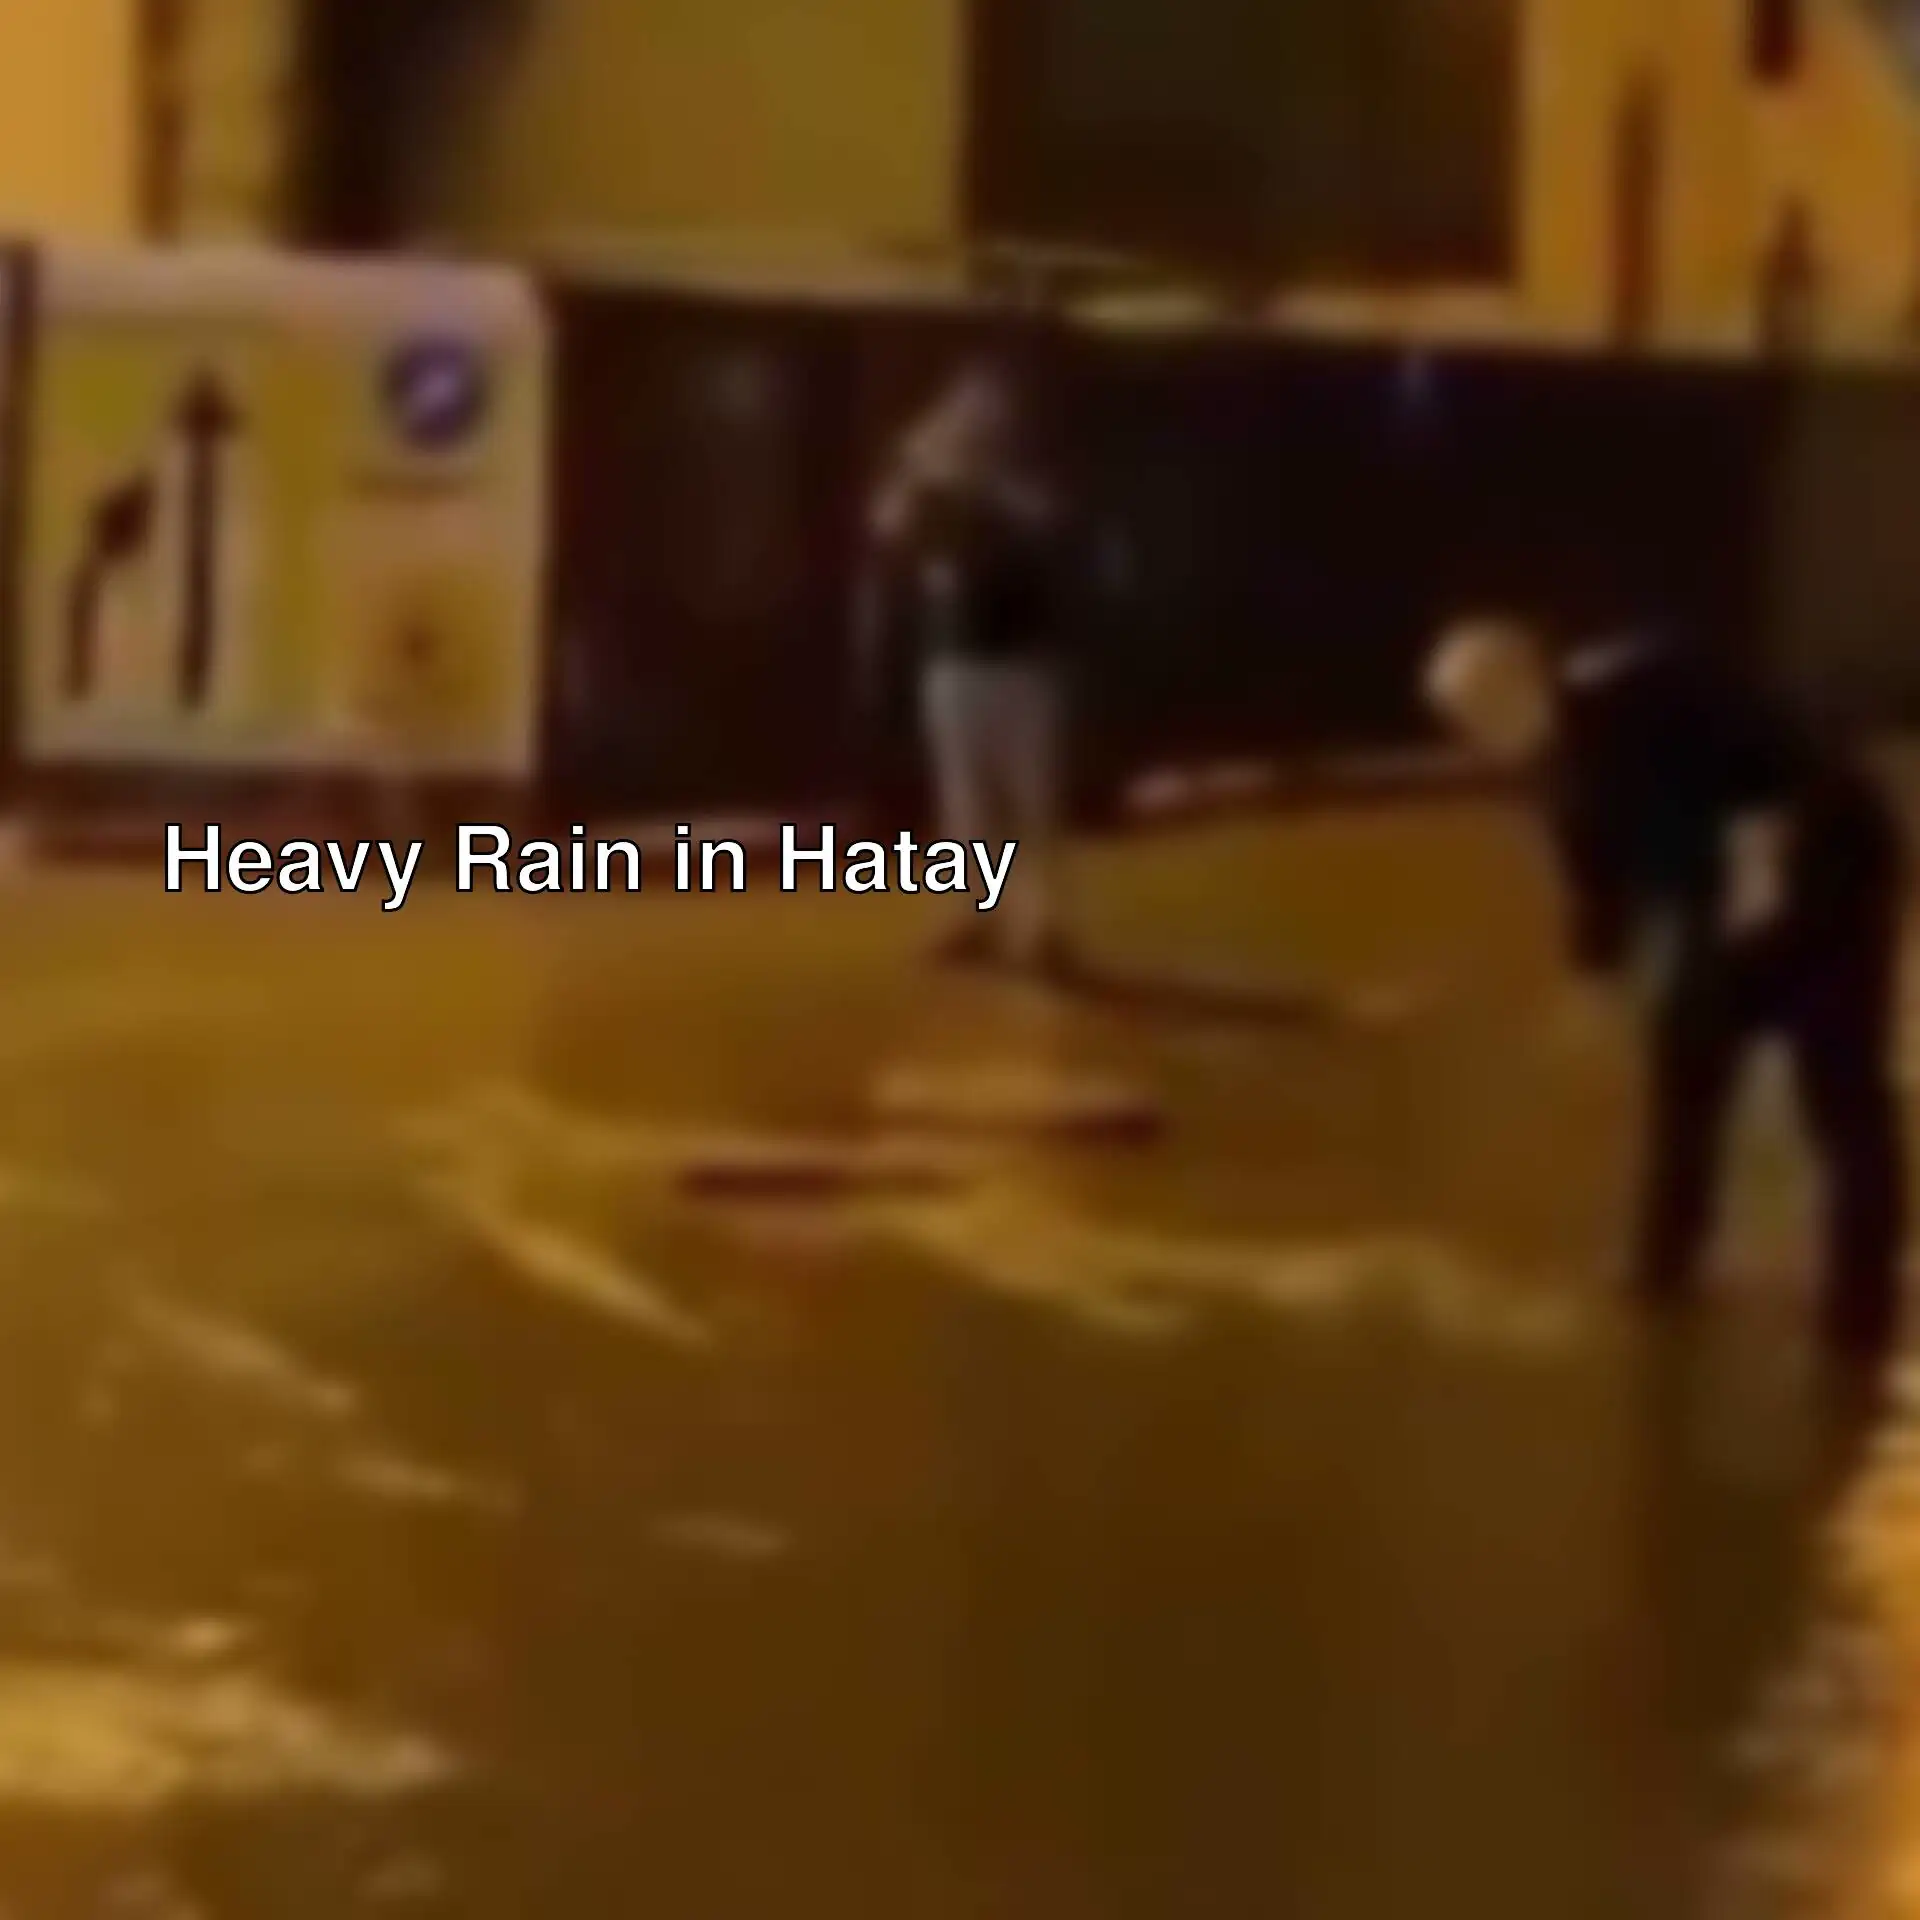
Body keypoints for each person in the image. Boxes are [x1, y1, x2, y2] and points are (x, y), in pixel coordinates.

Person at [1425, 613, 1908, 1359]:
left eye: (1490, 700)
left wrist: (1771, 849)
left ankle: (1861, 1310)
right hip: (1722, 903)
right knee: (1687, 1064)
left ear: (1531, 671)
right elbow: (1598, 888)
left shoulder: (1644, 683)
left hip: (1829, 871)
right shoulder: (1558, 776)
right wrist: (1591, 986)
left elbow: (1789, 747)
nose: (1483, 728)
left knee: (1840, 1090)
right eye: (1466, 718)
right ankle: (1665, 1270)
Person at [853, 355, 1073, 972]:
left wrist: (967, 476)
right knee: (964, 801)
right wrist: (918, 470)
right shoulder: (936, 484)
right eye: (967, 405)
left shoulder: (1022, 474)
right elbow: (886, 525)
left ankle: (1043, 926)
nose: (974, 417)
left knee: (1030, 799)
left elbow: (1046, 519)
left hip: (1025, 661)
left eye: (986, 406)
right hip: (953, 659)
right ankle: (973, 915)